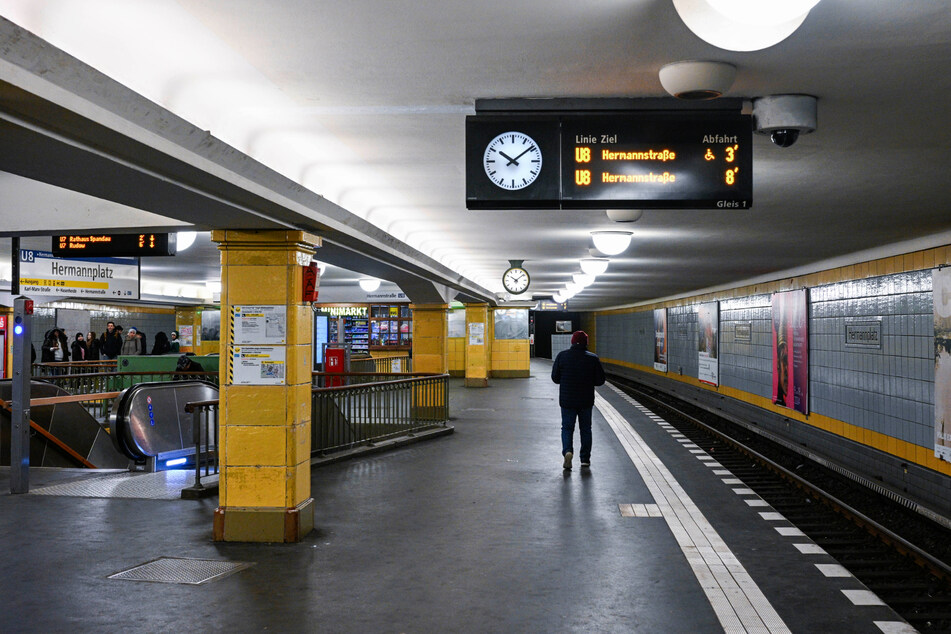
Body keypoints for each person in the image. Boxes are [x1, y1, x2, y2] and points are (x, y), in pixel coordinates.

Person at [551, 330, 605, 471]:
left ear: (572, 341)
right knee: (586, 429)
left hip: (567, 400)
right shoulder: (592, 358)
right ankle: (585, 459)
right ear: (586, 343)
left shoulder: (562, 356)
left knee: (567, 428)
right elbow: (600, 381)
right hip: (586, 401)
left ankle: (568, 451)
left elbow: (555, 378)